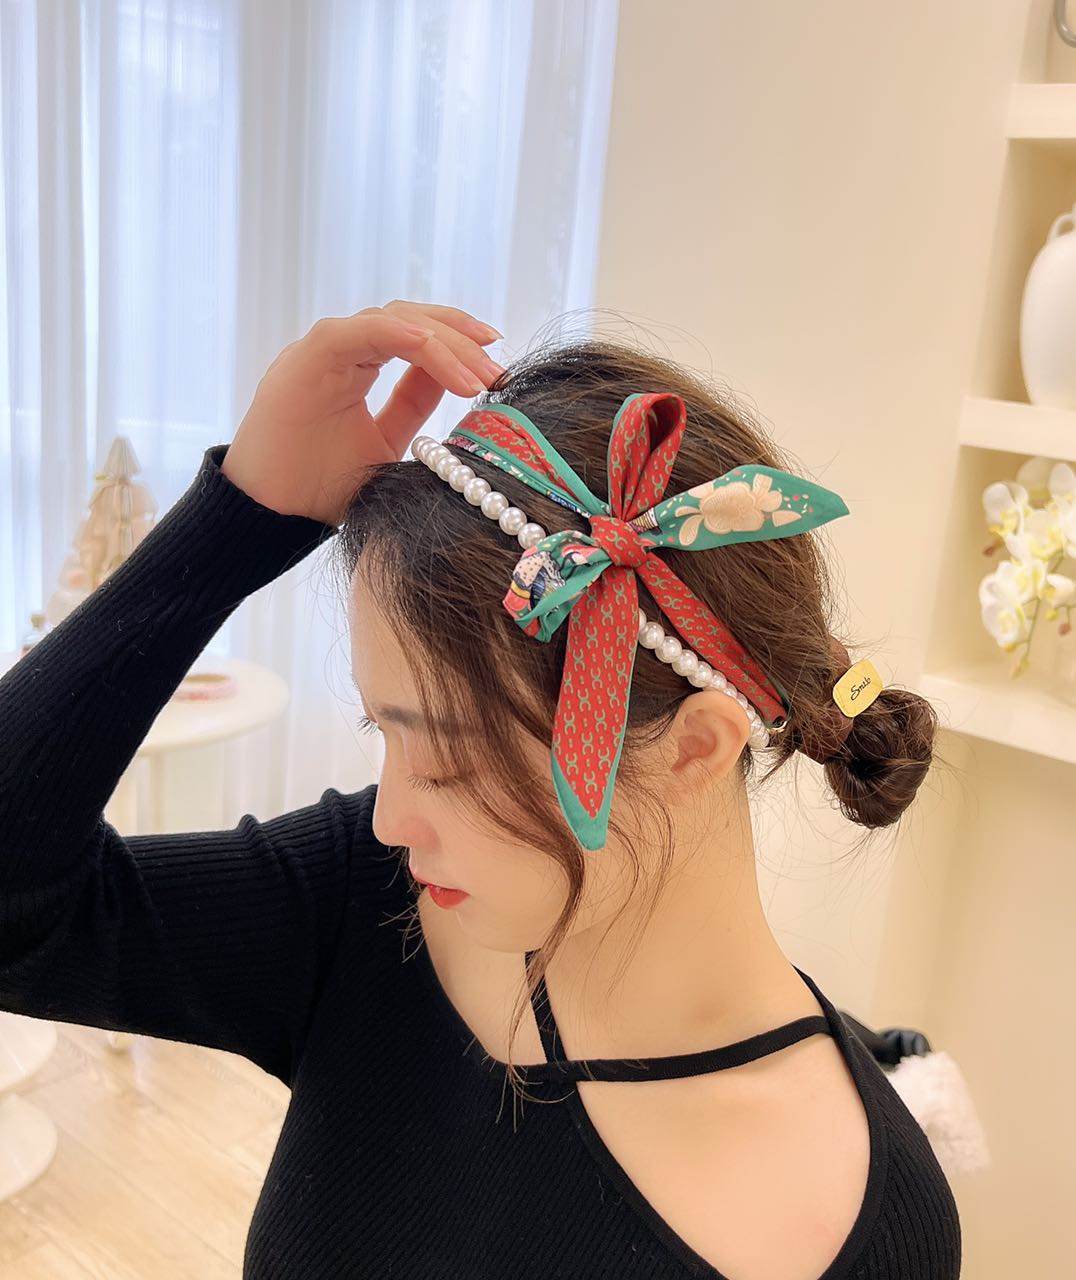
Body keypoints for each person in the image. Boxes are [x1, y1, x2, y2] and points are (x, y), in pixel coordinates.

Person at [0, 301, 961, 1279]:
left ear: (692, 749)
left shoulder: (860, 1222)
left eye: (449, 760)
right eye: (382, 732)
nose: (389, 818)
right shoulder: (370, 908)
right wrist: (240, 522)